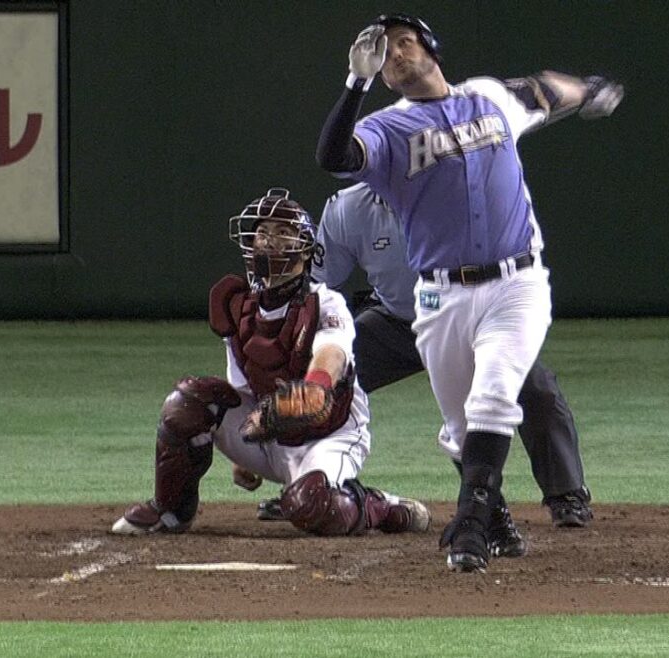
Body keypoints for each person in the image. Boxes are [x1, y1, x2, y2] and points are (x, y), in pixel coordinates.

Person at [315, 14, 623, 571]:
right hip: (441, 299)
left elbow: (544, 90)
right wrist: (355, 83)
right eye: (386, 53)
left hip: (517, 283)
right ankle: (496, 519)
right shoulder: (388, 128)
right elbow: (334, 157)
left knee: (496, 396)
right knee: (461, 430)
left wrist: (590, 88)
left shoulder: (487, 96)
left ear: (431, 47)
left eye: (405, 42)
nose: (396, 55)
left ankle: (472, 527)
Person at [111, 188, 430, 538]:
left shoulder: (324, 302)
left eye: (282, 232)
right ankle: (171, 510)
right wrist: (241, 451)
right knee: (188, 401)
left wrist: (316, 387)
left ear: (305, 249)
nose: (269, 240)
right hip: (269, 434)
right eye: (262, 232)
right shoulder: (238, 306)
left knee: (311, 506)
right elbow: (241, 389)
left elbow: (333, 353)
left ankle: (379, 506)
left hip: (330, 434)